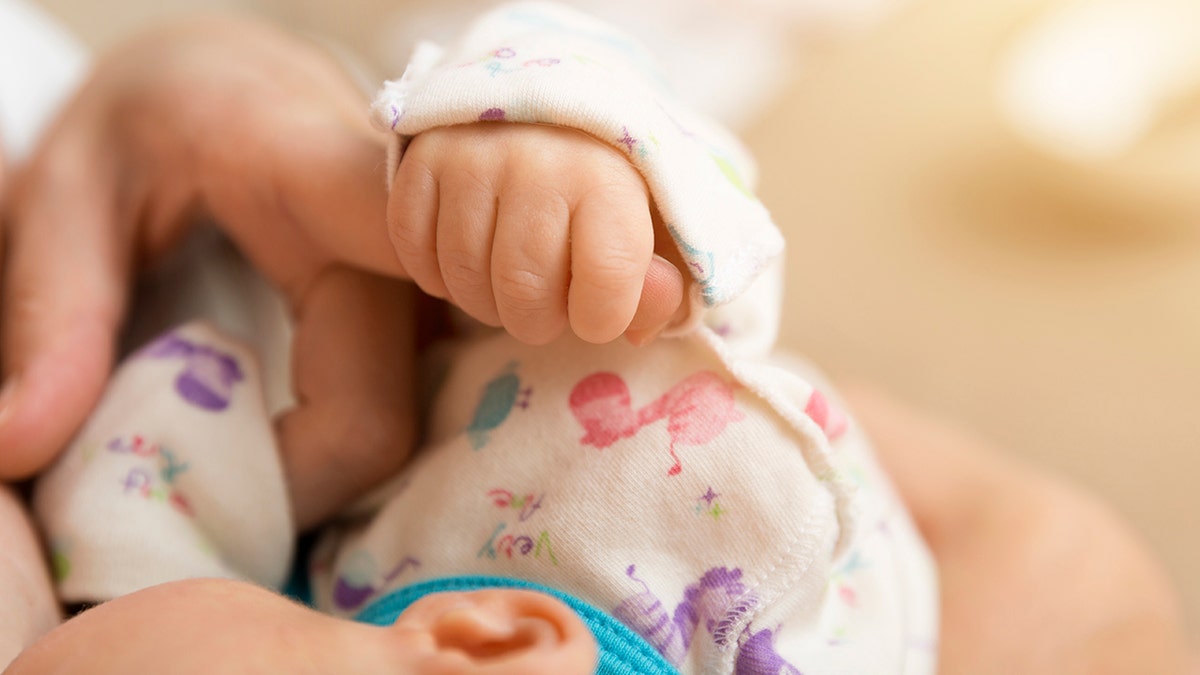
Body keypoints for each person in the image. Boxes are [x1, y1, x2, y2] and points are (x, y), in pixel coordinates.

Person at [0, 4, 1191, 674]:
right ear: (483, 640)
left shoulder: (169, 584)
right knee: (589, 233)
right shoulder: (685, 519)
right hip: (593, 346)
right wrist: (559, 144)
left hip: (242, 269)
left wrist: (298, 459)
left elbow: (148, 496)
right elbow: (716, 269)